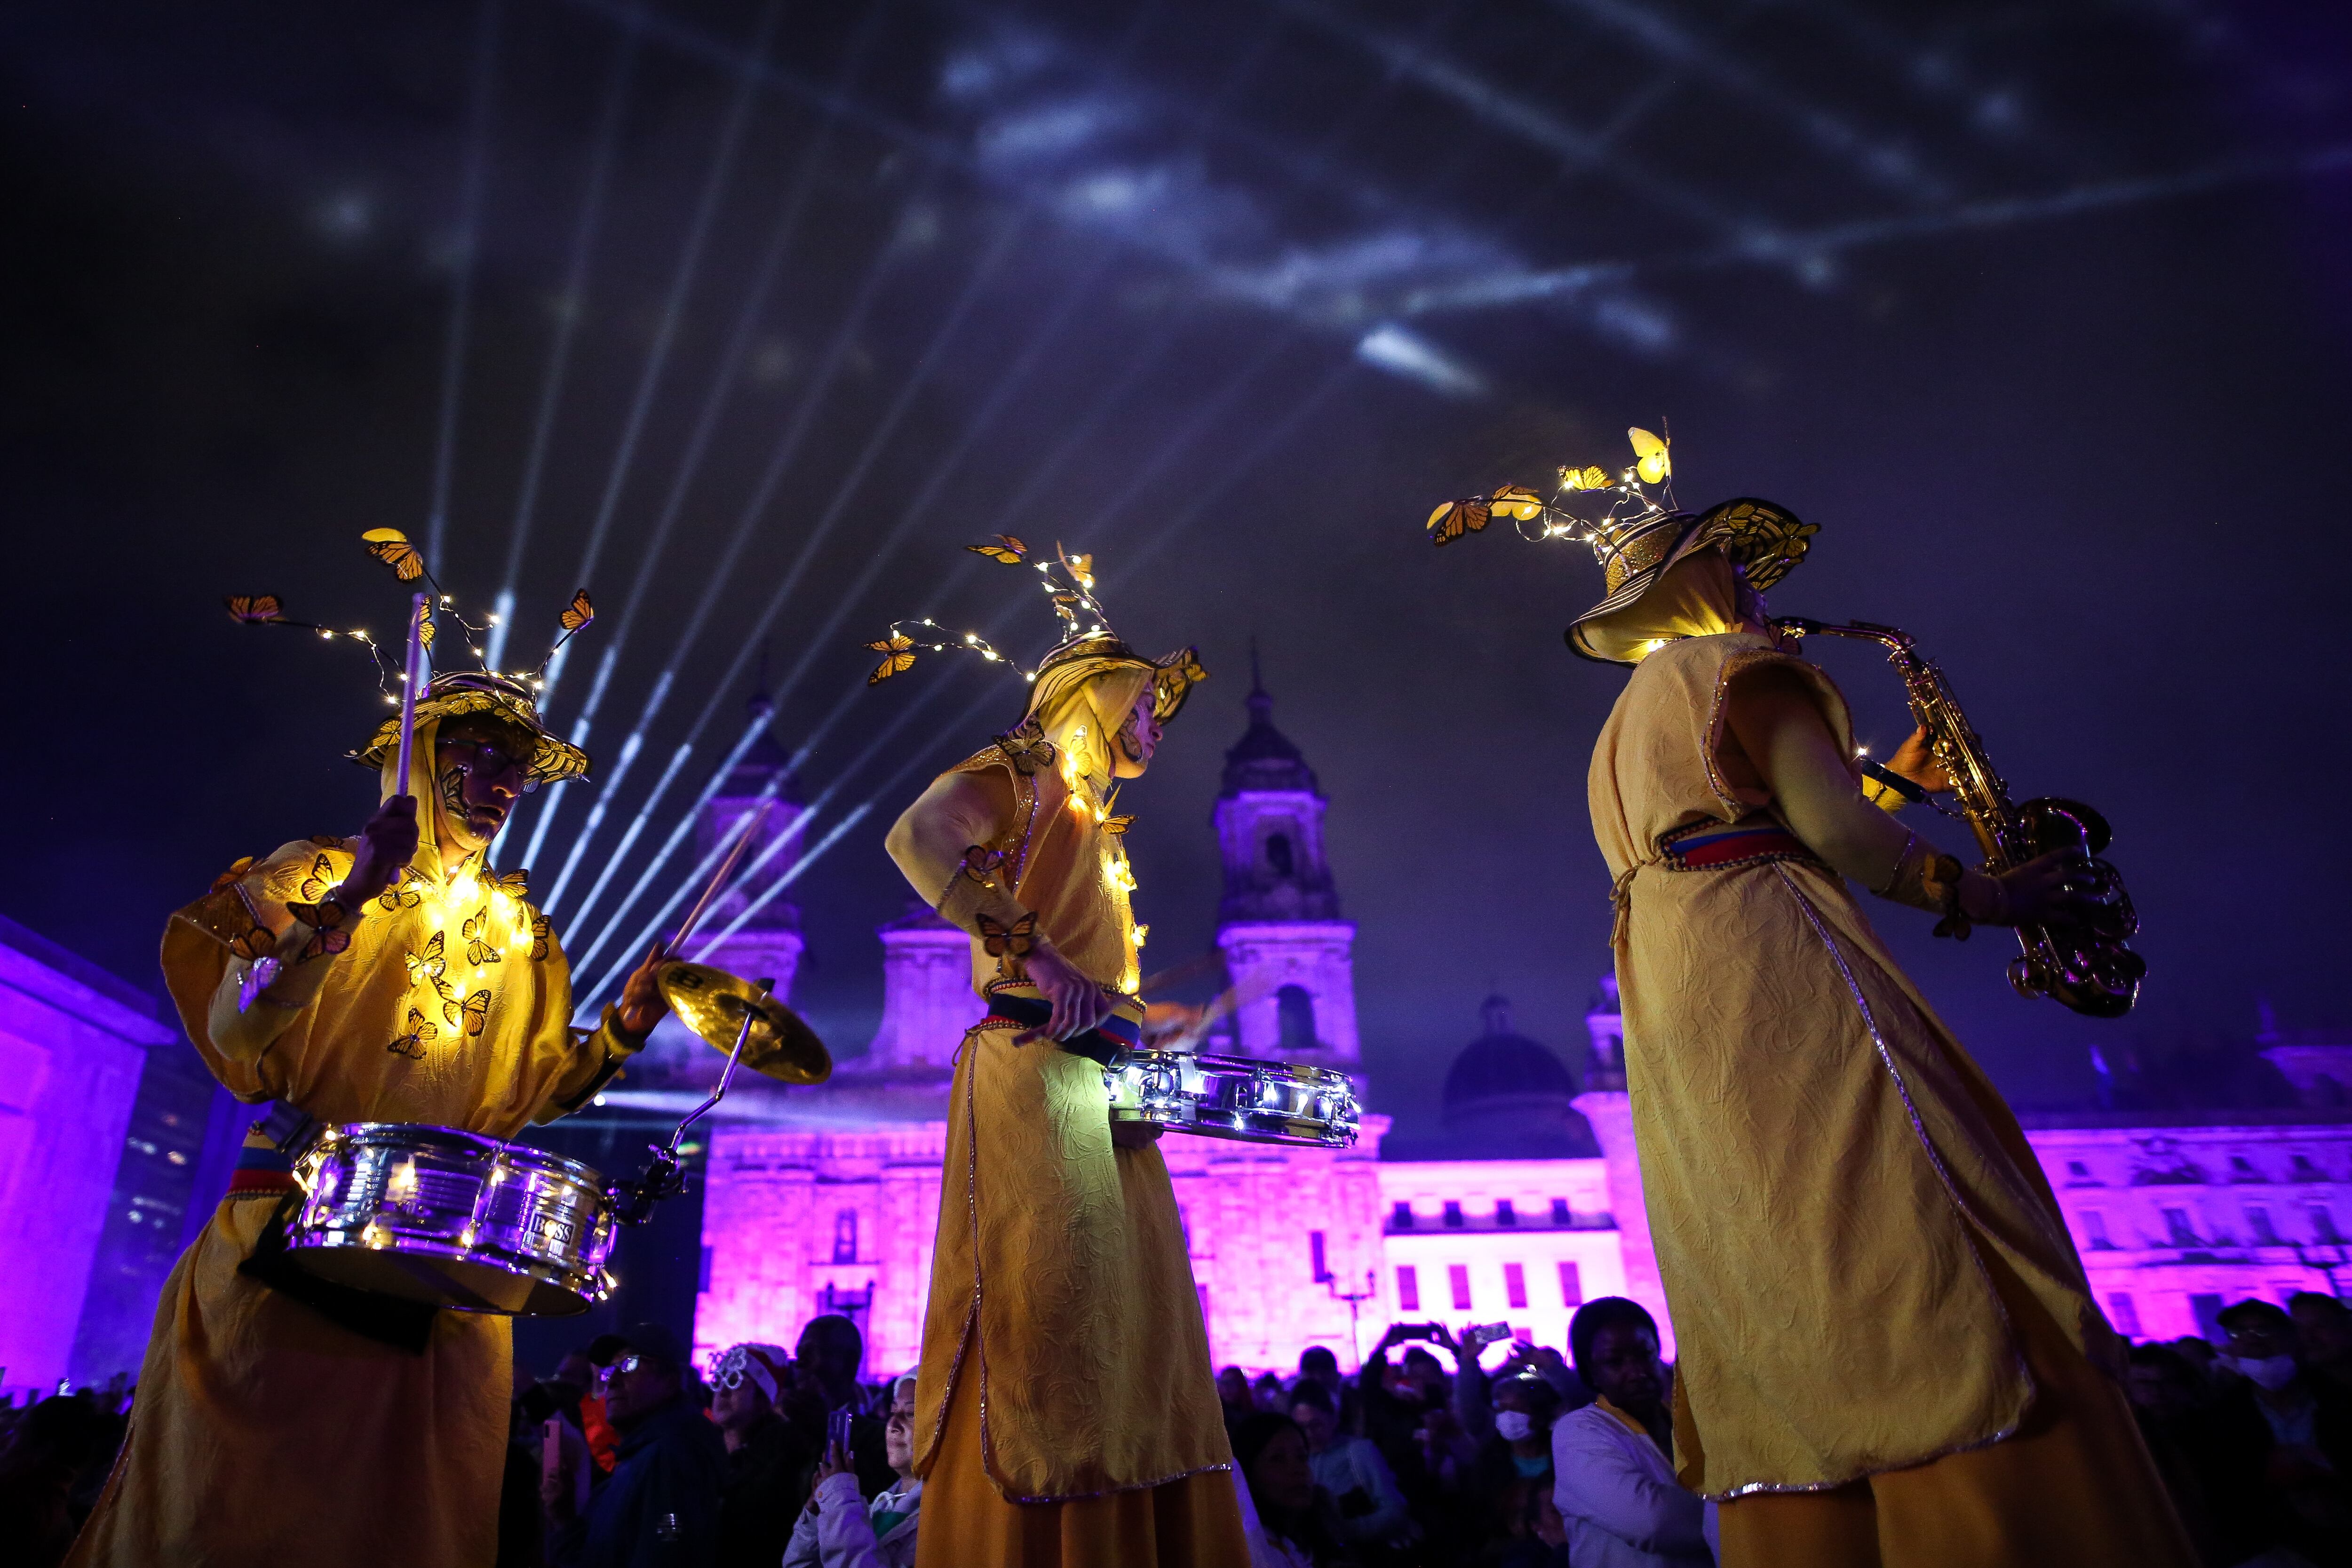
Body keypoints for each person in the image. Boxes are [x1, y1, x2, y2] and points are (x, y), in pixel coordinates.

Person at [1545, 484, 2198, 1566]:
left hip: (1684, 984)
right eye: (1738, 570)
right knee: (1904, 1197)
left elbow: (1756, 820)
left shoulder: (1627, 724)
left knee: (1780, 1238)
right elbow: (1832, 836)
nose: (1759, 593)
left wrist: (1890, 784)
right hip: (1776, 958)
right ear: (1699, 585)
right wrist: (1995, 896)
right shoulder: (1736, 669)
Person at [68, 670, 672, 1568]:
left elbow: (528, 1094)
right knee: (234, 1513)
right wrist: (352, 897)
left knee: (411, 1523)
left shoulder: (525, 934)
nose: (506, 785)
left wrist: (623, 1029)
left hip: (445, 1278)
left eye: (520, 769)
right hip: (294, 1237)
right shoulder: (309, 870)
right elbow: (238, 1031)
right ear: (422, 757)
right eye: (486, 758)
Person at [880, 551, 1241, 1567]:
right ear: (1098, 697)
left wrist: (1139, 1029)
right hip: (1034, 1072)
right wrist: (1030, 951)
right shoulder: (1023, 776)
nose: (1158, 723)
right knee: (1056, 1317)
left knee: (1136, 1333)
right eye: (1146, 702)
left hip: (1101, 1088)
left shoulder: (1091, 819)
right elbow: (915, 838)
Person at [545, 1322, 728, 1568]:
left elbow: (670, 1542)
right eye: (609, 1371)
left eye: (629, 1364)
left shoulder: (672, 1457)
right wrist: (565, 1520)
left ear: (671, 1380)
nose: (613, 1381)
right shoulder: (642, 1454)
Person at [1549, 1298, 1709, 1568]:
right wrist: (1740, 1514)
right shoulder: (1578, 1432)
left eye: (1645, 1354)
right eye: (1616, 1362)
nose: (1636, 1373)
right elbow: (1652, 1522)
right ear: (1591, 1373)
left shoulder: (1692, 1424)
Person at [2199, 1297, 2352, 1562]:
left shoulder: (2339, 1398)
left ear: (2293, 1339)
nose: (2252, 1341)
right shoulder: (2221, 1417)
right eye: (2238, 1333)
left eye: (2263, 1330)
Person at [786, 1376, 923, 1568]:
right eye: (893, 1411)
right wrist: (815, 1522)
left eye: (910, 1413)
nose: (893, 1425)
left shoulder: (937, 1520)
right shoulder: (881, 1505)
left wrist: (839, 1502)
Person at [713, 1342, 818, 1568]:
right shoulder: (706, 1451)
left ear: (763, 1400)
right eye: (719, 1380)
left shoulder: (781, 1459)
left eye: (735, 1382)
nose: (722, 1391)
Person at [1287, 1383, 1414, 1558]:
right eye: (1301, 1428)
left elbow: (1395, 1510)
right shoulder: (1296, 1461)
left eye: (1316, 1425)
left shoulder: (1359, 1451)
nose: (1308, 1434)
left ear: (1334, 1419)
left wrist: (1346, 1530)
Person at [1230, 1413, 1355, 1568]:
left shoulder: (1321, 1528)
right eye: (1277, 1459)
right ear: (1247, 1472)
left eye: (1302, 1457)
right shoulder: (1249, 1553)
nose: (1298, 1470)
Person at [797, 1315, 894, 1500]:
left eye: (810, 1354)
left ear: (847, 1363)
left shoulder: (879, 1439)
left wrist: (825, 1430)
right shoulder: (780, 1430)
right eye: (799, 1354)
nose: (799, 1364)